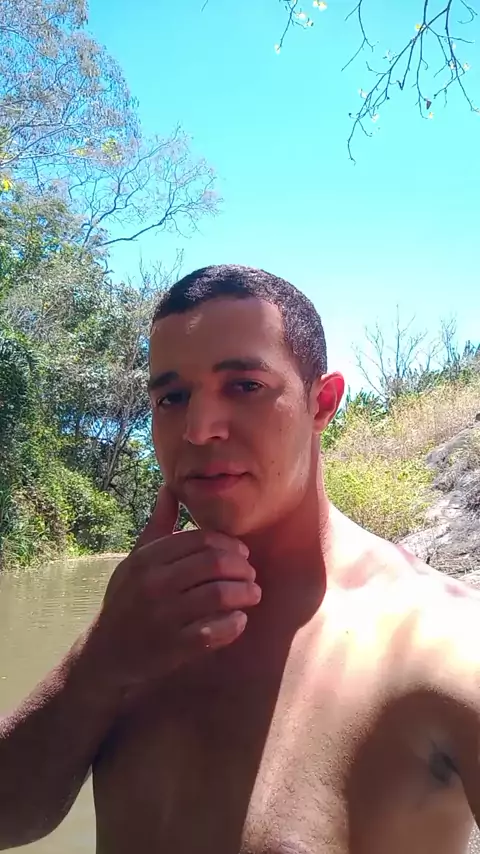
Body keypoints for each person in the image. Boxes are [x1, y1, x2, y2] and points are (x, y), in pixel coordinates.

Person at [1, 264, 480, 854]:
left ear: (323, 402)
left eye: (245, 386)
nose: (198, 429)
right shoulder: (142, 616)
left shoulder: (442, 641)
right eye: (172, 397)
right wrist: (98, 663)